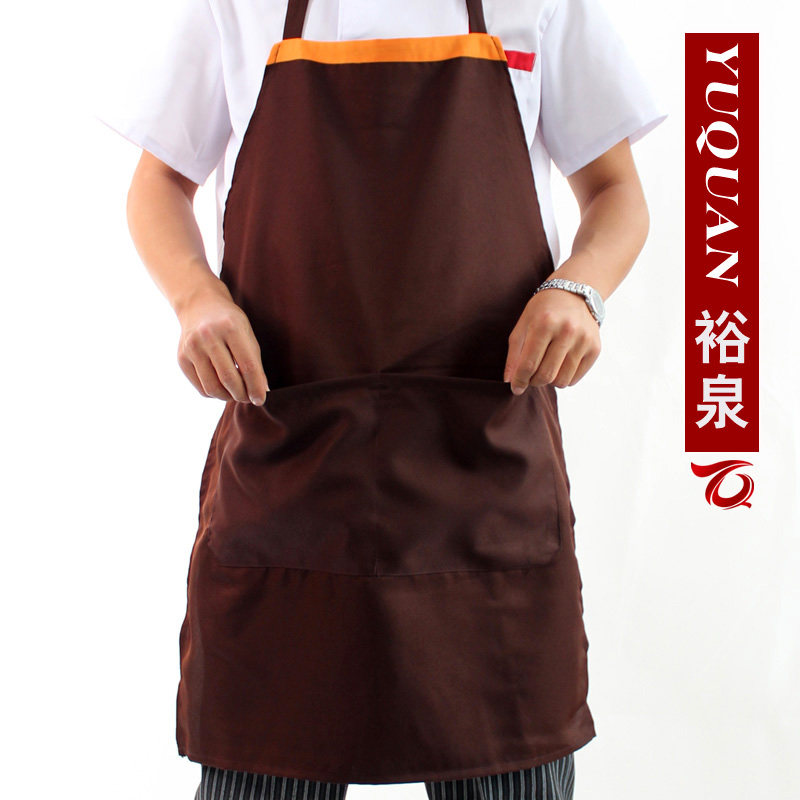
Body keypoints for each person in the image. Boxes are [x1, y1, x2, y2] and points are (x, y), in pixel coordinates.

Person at [97, 1, 667, 798]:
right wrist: (195, 298)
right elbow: (159, 181)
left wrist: (582, 288)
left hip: (482, 477)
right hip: (291, 473)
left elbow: (615, 190)